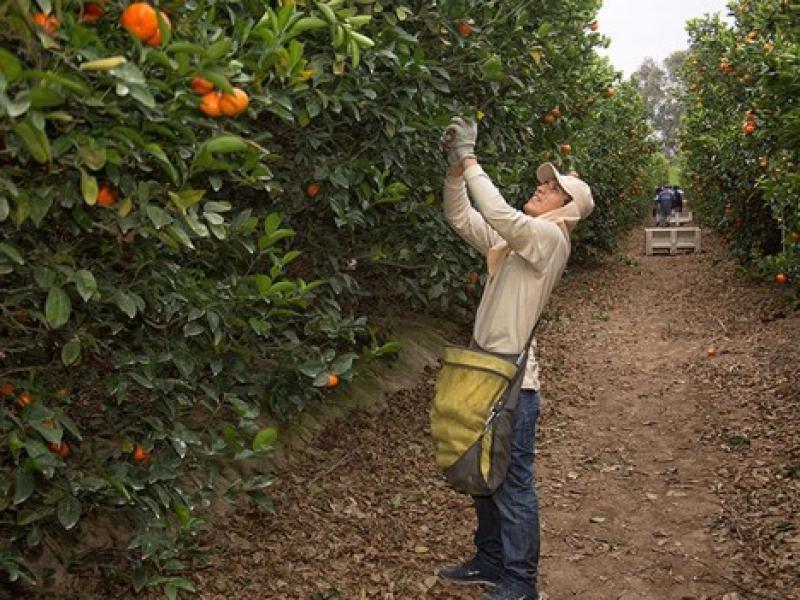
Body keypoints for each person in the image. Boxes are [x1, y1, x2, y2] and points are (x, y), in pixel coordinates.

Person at [438, 117, 594, 600]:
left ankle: (521, 583)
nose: (541, 188)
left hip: (513, 384)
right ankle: (489, 559)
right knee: (485, 473)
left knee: (514, 483)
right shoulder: (514, 245)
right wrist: (454, 174)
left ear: (567, 210)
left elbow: (501, 213)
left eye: (552, 189)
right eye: (543, 183)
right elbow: (462, 218)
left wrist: (471, 159)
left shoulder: (547, 240)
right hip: (487, 372)